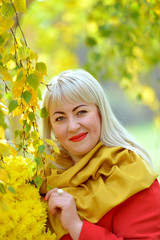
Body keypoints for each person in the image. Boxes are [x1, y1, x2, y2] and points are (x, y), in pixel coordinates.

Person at [40, 69, 160, 240]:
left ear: (100, 112)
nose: (72, 126)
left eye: (81, 112)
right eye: (60, 118)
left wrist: (76, 227)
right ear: (50, 125)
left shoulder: (131, 173)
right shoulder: (44, 178)